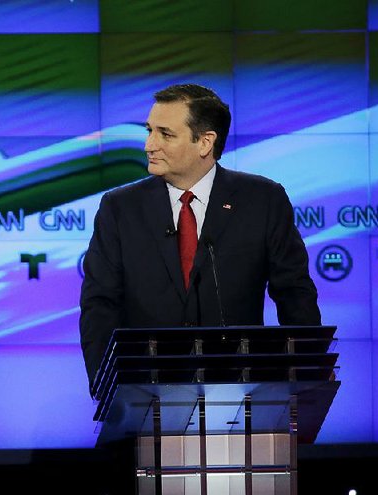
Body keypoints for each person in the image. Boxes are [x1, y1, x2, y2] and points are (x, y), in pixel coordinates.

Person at [80, 83, 321, 389]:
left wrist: (307, 374)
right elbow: (99, 306)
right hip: (145, 395)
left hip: (239, 393)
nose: (149, 145)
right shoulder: (120, 208)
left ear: (205, 142)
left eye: (165, 134)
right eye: (149, 131)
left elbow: (295, 295)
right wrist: (108, 386)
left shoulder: (262, 200)